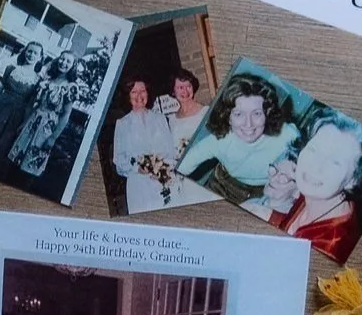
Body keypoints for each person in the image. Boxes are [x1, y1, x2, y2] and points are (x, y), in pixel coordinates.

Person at [268, 106, 362, 263]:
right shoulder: (317, 193)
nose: (316, 166)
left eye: (335, 162)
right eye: (314, 150)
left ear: (353, 180)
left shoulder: (331, 245)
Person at [176, 72, 298, 202]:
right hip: (225, 185)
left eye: (256, 113)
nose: (248, 124)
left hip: (268, 190)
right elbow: (181, 167)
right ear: (227, 117)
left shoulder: (288, 136)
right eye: (239, 114)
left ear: (267, 113)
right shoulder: (218, 140)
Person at [110, 77, 179, 207]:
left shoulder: (160, 119)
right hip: (138, 185)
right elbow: (119, 160)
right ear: (128, 96)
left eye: (142, 91)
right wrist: (138, 168)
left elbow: (170, 152)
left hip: (162, 181)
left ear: (148, 93)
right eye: (134, 92)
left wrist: (162, 169)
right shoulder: (122, 124)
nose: (139, 96)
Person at [9, 53, 76, 176]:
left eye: (68, 61)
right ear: (57, 60)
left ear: (72, 66)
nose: (63, 63)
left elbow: (65, 115)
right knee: (15, 162)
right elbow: (33, 103)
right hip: (33, 121)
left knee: (30, 166)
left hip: (47, 128)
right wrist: (24, 123)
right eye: (62, 59)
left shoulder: (70, 87)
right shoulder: (47, 80)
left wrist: (53, 138)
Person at [240, 156, 302, 222]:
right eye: (274, 170)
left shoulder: (287, 222)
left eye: (283, 178)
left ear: (297, 192)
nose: (273, 179)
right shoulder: (252, 202)